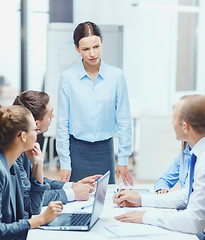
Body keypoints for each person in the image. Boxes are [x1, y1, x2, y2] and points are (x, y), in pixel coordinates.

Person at [113, 94, 205, 235]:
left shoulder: (202, 161)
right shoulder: (197, 153)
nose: (172, 124)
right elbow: (186, 194)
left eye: (174, 119)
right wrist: (140, 199)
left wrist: (145, 217)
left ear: (185, 127)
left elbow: (193, 222)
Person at [56, 21, 133, 185]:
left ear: (102, 43)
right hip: (76, 150)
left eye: (96, 47)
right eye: (85, 49)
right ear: (77, 49)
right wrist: (64, 162)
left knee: (105, 201)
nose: (92, 53)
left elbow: (124, 119)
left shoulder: (117, 76)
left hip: (105, 151)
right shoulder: (68, 78)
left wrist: (123, 158)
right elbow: (62, 123)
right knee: (76, 202)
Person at [13, 90, 101, 207]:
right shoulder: (14, 154)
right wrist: (72, 193)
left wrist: (73, 186)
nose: (53, 116)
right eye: (50, 114)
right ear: (36, 124)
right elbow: (29, 199)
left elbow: (36, 183)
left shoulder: (24, 145)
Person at [0, 105, 63, 240]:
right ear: (23, 136)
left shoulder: (13, 167)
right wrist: (40, 220)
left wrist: (37, 165)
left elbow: (33, 208)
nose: (37, 134)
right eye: (35, 130)